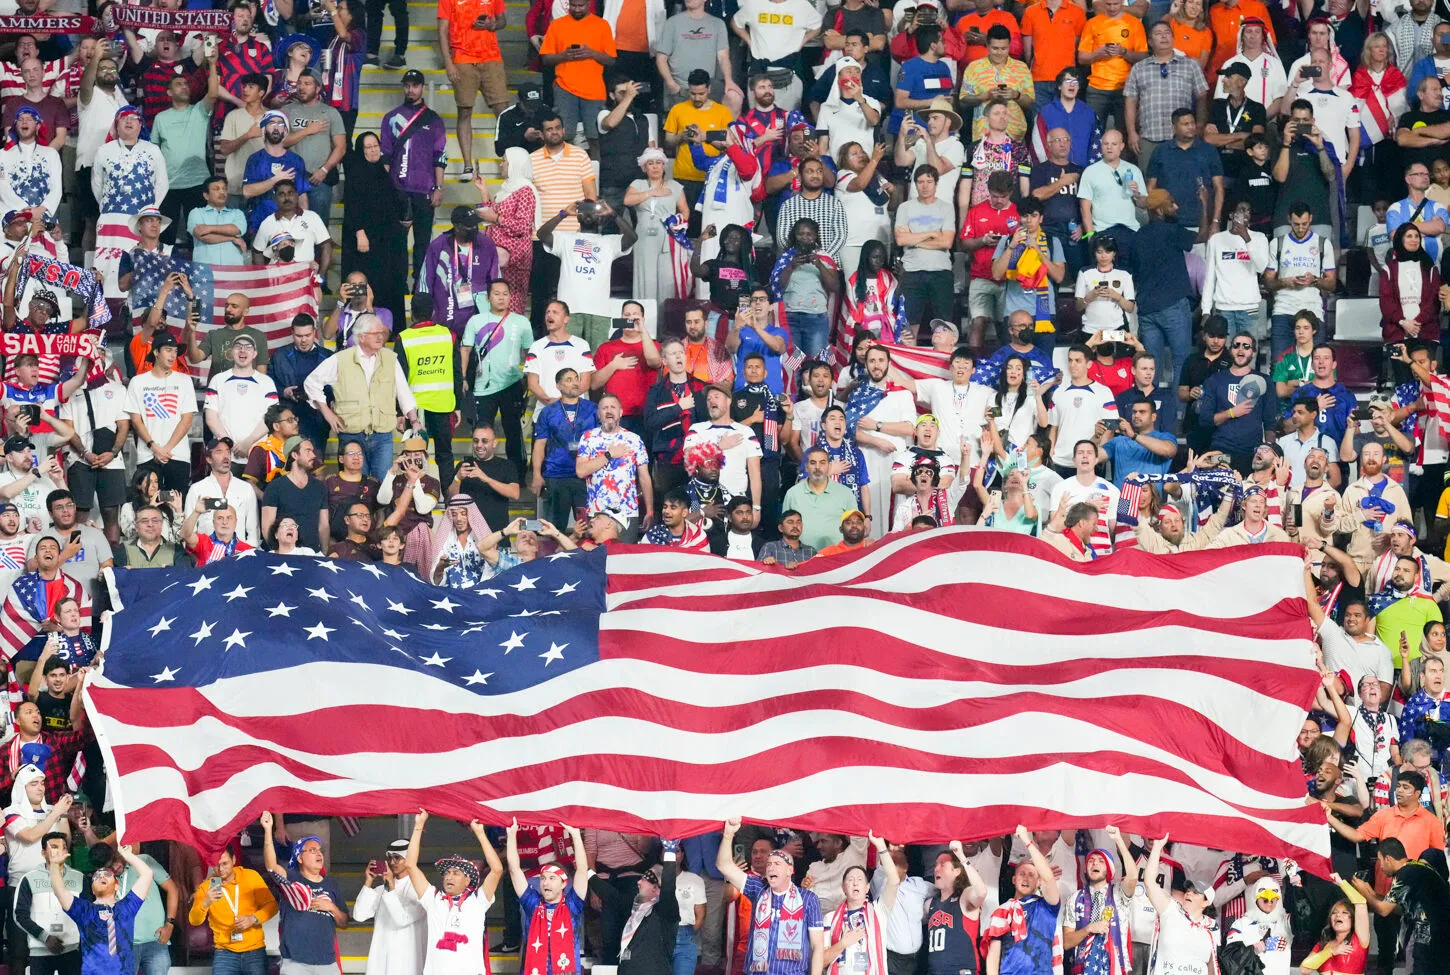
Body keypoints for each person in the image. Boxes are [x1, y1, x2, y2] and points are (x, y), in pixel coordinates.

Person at [303, 313, 424, 480]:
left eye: (382, 332)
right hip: (351, 432)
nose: (381, 336)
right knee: (356, 482)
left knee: (384, 482)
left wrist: (415, 420)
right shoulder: (341, 359)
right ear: (361, 336)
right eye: (376, 333)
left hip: (382, 433)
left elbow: (404, 392)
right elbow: (311, 383)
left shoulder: (390, 359)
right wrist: (327, 413)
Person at [538, 199, 637, 351]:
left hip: (599, 311)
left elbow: (632, 238)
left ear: (600, 216)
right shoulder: (566, 239)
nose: (589, 214)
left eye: (594, 210)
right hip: (569, 310)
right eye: (584, 210)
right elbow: (542, 234)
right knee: (568, 356)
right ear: (577, 215)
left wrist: (613, 214)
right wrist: (563, 214)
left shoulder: (609, 242)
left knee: (597, 360)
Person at [257, 812, 347, 975]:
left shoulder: (331, 884)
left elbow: (344, 923)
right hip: (295, 964)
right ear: (299, 857)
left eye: (320, 850)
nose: (319, 853)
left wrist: (332, 908)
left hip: (327, 963)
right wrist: (269, 830)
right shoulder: (290, 879)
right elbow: (271, 866)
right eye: (312, 850)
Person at [1352, 838, 1450, 975]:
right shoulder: (1415, 868)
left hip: (1427, 941)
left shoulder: (1406, 873)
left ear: (1388, 859)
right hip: (1440, 940)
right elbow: (1398, 908)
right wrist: (1370, 892)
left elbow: (1384, 910)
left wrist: (1363, 891)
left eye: (1380, 861)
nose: (1380, 867)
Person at [462, 280, 530, 472]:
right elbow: (465, 349)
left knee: (513, 431)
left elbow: (530, 353)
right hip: (483, 387)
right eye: (497, 294)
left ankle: (517, 473)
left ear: (511, 296)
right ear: (488, 297)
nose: (501, 298)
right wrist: (464, 379)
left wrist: (529, 379)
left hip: (512, 384)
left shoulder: (522, 322)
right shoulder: (475, 321)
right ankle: (480, 472)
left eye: (505, 294)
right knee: (482, 432)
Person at [506, 820, 590, 975]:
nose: (545, 882)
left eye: (552, 878)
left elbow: (582, 871)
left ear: (564, 883)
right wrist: (512, 836)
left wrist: (576, 836)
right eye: (543, 878)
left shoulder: (572, 904)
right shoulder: (532, 903)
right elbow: (514, 870)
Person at [1124, 22, 1210, 174]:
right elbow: (1130, 100)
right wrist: (1132, 132)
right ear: (1150, 41)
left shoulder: (1190, 65)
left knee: (1183, 182)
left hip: (1182, 137)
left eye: (1167, 33)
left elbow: (1202, 96)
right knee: (1150, 188)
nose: (1164, 36)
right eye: (1158, 33)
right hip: (1150, 136)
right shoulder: (1139, 68)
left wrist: (1200, 124)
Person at [341, 134, 407, 325]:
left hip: (386, 241)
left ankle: (390, 326)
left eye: (375, 145)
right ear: (361, 151)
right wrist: (360, 232)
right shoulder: (357, 173)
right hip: (366, 242)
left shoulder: (382, 172)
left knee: (390, 282)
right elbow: (353, 206)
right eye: (367, 147)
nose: (373, 150)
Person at [1265, 203, 1337, 368]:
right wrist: (1284, 281)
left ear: (1311, 219)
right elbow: (1268, 282)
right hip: (1284, 309)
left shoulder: (1322, 244)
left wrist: (1315, 280)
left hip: (1313, 311)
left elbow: (1332, 283)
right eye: (1296, 224)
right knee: (1279, 366)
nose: (1300, 228)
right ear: (1288, 220)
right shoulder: (1277, 244)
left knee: (1315, 366)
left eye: (1305, 224)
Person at [189, 844, 278, 975]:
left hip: (254, 951)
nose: (220, 869)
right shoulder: (207, 887)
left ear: (234, 860)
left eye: (225, 863)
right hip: (224, 953)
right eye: (216, 864)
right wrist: (205, 903)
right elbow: (194, 920)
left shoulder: (250, 877)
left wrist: (253, 919)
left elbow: (272, 905)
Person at [419, 205, 501, 339]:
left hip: (478, 315)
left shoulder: (486, 244)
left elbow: (496, 280)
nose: (474, 229)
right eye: (469, 226)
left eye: (476, 225)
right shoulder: (438, 246)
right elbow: (425, 281)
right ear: (457, 226)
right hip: (445, 314)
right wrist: (424, 314)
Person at [895, 165, 956, 340]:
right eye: (920, 181)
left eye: (929, 181)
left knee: (944, 324)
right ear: (915, 184)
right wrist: (930, 234)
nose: (925, 186)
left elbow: (947, 241)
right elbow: (901, 240)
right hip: (912, 271)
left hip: (941, 271)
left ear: (936, 183)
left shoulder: (946, 207)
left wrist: (914, 239)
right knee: (909, 324)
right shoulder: (905, 208)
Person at [627, 147, 691, 302]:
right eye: (650, 163)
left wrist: (677, 224)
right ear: (644, 167)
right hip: (644, 238)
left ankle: (664, 322)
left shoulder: (675, 186)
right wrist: (651, 193)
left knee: (666, 280)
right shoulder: (638, 184)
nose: (655, 167)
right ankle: (643, 319)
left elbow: (685, 211)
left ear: (664, 166)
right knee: (645, 279)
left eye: (658, 163)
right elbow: (627, 200)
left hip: (667, 238)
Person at [352, 842, 425, 975]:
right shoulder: (382, 889)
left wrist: (391, 887)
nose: (392, 862)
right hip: (379, 961)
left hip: (407, 963)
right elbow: (359, 915)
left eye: (397, 857)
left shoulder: (421, 889)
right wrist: (368, 882)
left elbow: (402, 919)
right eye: (389, 857)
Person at [1077, 0, 1147, 133]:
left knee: (1124, 133)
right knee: (1093, 132)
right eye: (1108, 4)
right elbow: (1081, 58)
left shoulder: (1134, 23)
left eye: (1116, 4)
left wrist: (1124, 52)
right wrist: (1097, 54)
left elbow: (1143, 57)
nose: (1112, 8)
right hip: (1098, 87)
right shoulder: (1093, 23)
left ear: (1122, 3)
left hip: (1126, 86)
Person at [260, 437, 329, 555]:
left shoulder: (319, 487)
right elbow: (267, 527)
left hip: (312, 554)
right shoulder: (274, 487)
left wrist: (324, 553)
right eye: (308, 451)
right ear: (294, 455)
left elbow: (323, 526)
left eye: (313, 451)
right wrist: (278, 553)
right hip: (283, 555)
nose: (313, 455)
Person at [1381, 224, 1443, 350]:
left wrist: (1416, 324)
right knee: (1401, 370)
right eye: (1409, 236)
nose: (1414, 240)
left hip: (1426, 333)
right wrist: (1404, 322)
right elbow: (1386, 301)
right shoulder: (1389, 269)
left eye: (1416, 236)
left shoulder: (1430, 267)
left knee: (1423, 370)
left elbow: (1434, 301)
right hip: (1397, 333)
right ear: (1400, 239)